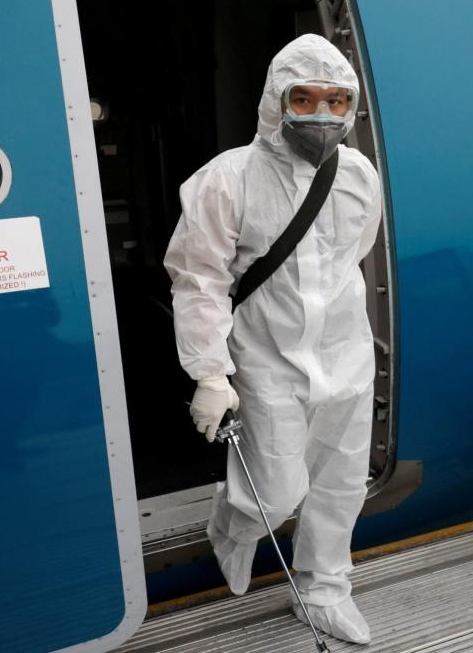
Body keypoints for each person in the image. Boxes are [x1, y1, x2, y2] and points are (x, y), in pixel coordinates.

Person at [163, 34, 382, 644]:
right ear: (275, 100)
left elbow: (351, 257)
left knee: (340, 485)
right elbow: (198, 278)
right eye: (304, 99)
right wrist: (209, 372)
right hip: (266, 362)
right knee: (276, 492)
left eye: (337, 102)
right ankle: (231, 529)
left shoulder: (359, 175)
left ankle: (324, 590)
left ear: (351, 106)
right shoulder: (227, 179)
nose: (321, 116)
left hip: (346, 357)